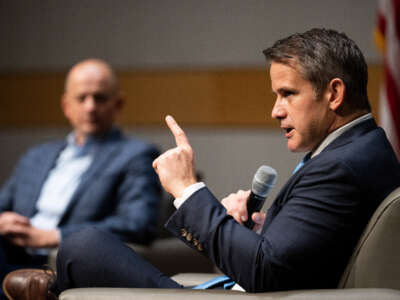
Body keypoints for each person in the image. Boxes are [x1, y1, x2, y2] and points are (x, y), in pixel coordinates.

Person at [4, 28, 400, 299]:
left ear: (333, 93)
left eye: (287, 93)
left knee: (82, 245)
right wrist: (259, 229)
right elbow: (298, 251)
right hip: (248, 288)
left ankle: (54, 287)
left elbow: (267, 272)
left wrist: (186, 189)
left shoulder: (341, 165)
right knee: (83, 252)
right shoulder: (360, 149)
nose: (275, 110)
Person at [0, 59, 161, 287]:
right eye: (81, 98)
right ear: (66, 106)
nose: (90, 107)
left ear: (118, 104)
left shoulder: (136, 155)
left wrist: (54, 236)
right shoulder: (36, 156)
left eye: (100, 98)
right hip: (10, 250)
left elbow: (137, 223)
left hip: (56, 262)